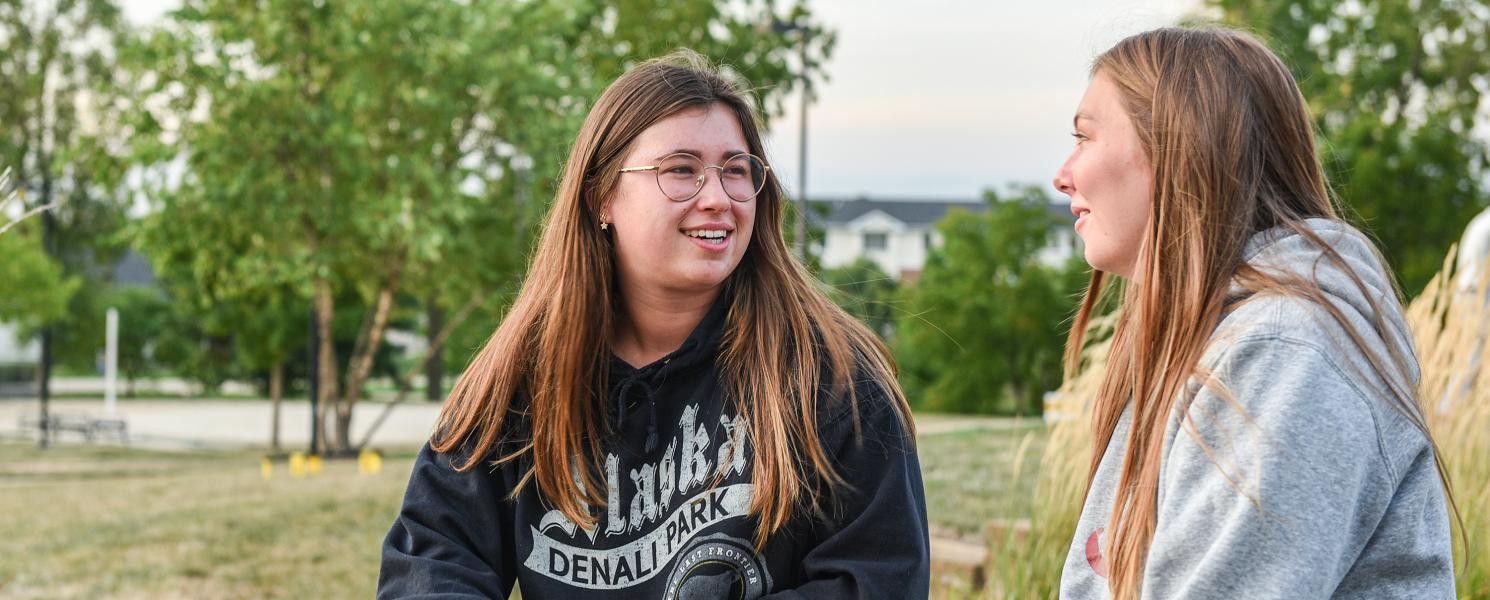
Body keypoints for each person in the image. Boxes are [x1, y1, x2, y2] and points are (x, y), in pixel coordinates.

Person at [377, 50, 929, 599]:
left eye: (735, 170)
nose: (717, 198)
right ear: (602, 196)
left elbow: (877, 579)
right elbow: (431, 567)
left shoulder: (830, 379)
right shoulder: (521, 379)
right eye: (681, 170)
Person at [1051, 27, 1459, 599]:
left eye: (1084, 137)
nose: (1062, 173)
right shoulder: (1211, 338)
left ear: (1177, 147)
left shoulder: (1288, 350)